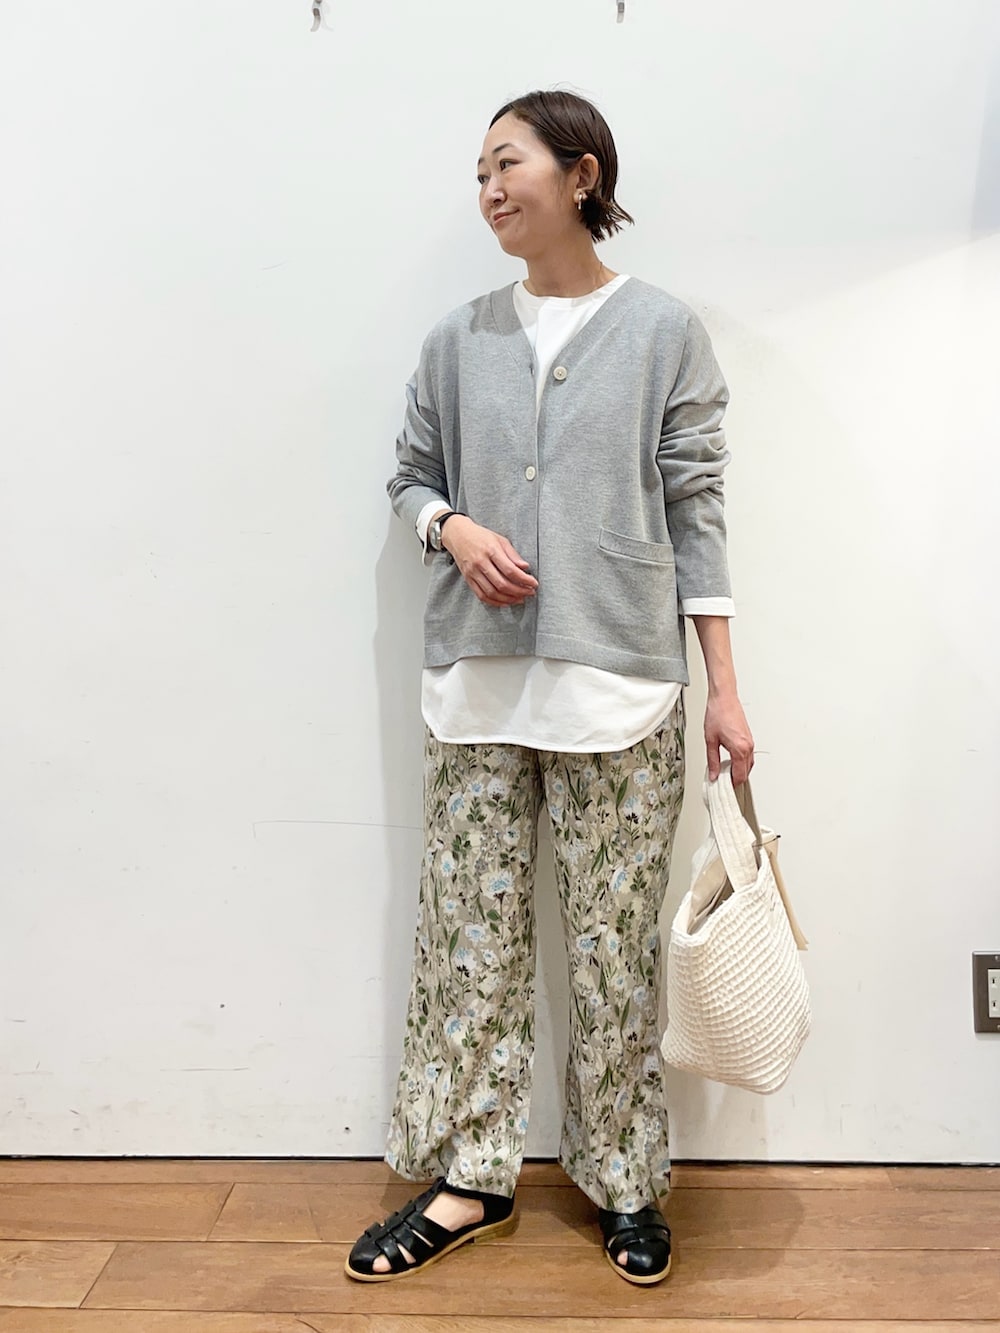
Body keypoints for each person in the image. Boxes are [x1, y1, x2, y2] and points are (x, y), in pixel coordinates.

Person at [346, 89, 754, 1287]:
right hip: (476, 688)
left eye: (507, 162)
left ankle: (623, 1178)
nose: (487, 188)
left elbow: (698, 509)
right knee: (470, 944)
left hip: (619, 690)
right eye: (477, 171)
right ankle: (471, 1177)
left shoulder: (663, 331)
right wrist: (453, 528)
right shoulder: (455, 339)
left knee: (611, 951)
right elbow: (410, 476)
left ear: (581, 175)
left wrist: (724, 688)